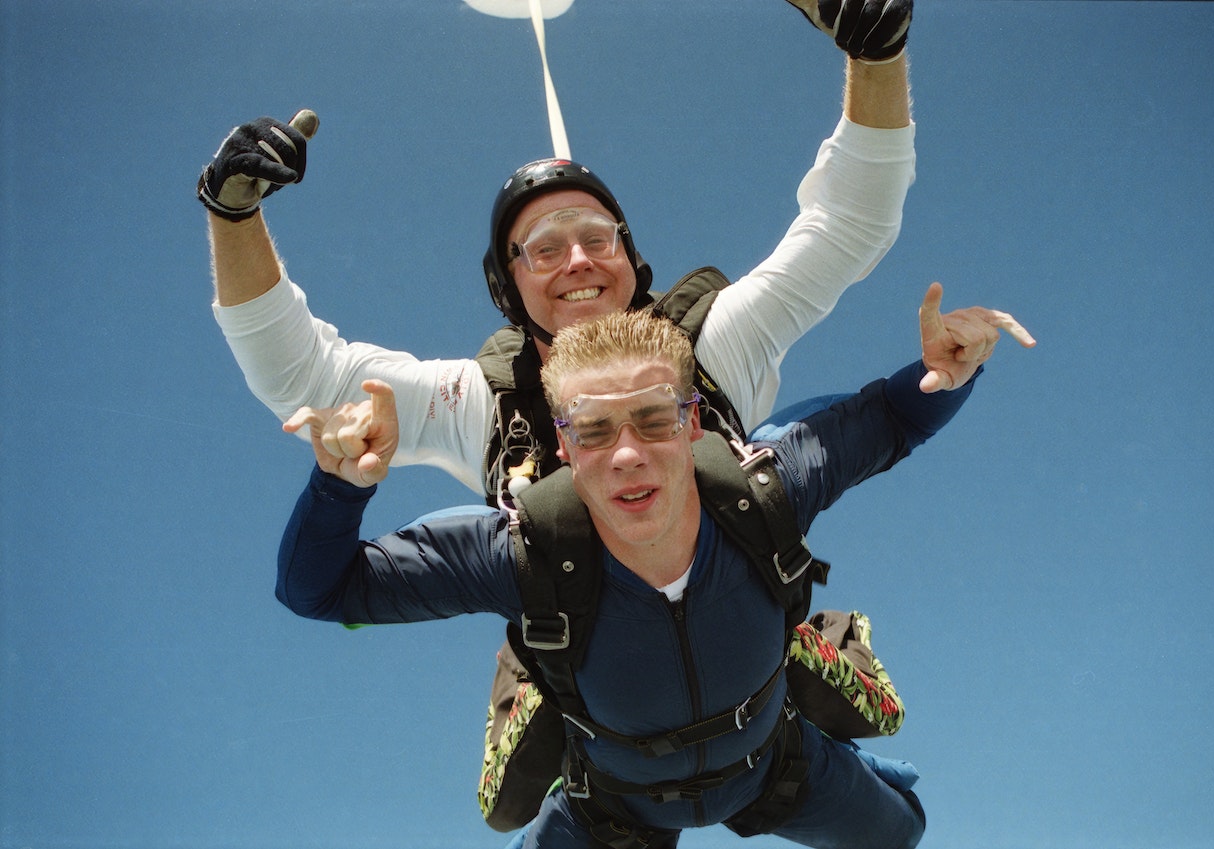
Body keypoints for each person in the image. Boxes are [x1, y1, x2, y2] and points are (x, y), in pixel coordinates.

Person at [201, 0, 921, 830]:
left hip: (743, 657)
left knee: (774, 461)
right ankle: (531, 685)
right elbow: (302, 372)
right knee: (558, 585)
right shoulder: (480, 403)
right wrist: (234, 215)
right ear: (509, 288)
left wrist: (879, 58)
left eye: (596, 237)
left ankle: (796, 636)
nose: (577, 259)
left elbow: (847, 228)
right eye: (543, 248)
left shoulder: (712, 346)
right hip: (602, 717)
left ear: (632, 260)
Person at [276, 286, 1035, 849]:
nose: (629, 452)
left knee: (899, 831)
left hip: (772, 758)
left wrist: (946, 370)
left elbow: (893, 417)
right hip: (612, 802)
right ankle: (527, 696)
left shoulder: (766, 484)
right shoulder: (522, 551)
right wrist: (339, 486)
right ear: (564, 448)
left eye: (653, 417)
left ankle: (812, 649)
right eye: (596, 430)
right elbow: (318, 589)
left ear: (693, 421)